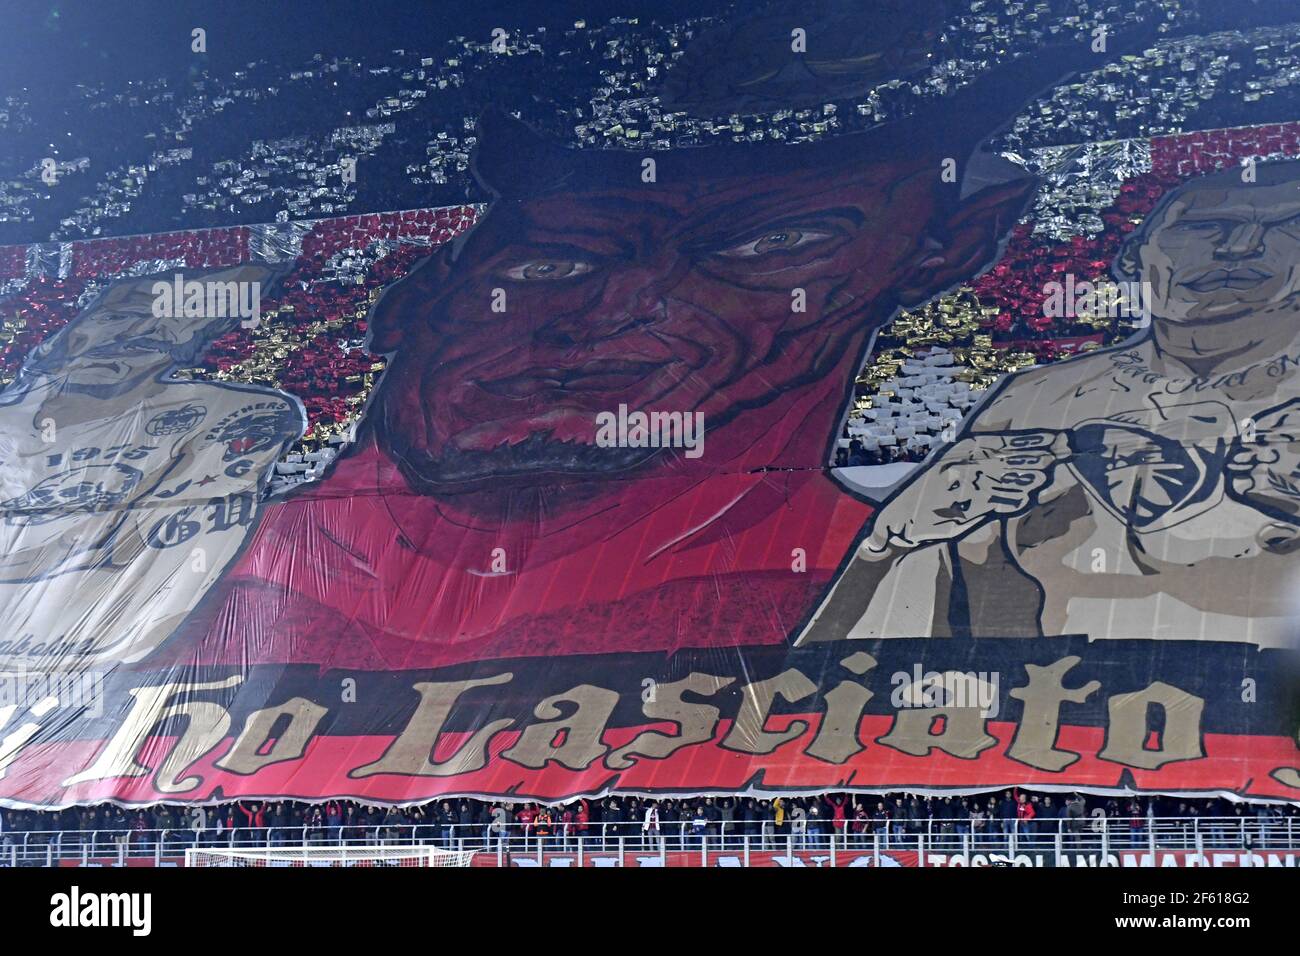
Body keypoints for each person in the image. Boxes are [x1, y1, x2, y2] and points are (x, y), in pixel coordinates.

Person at [800, 160, 1300, 649]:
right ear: (1133, 259)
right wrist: (892, 540)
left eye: (1287, 228)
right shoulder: (1034, 401)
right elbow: (843, 666)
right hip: (1065, 721)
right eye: (1205, 226)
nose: (1240, 248)